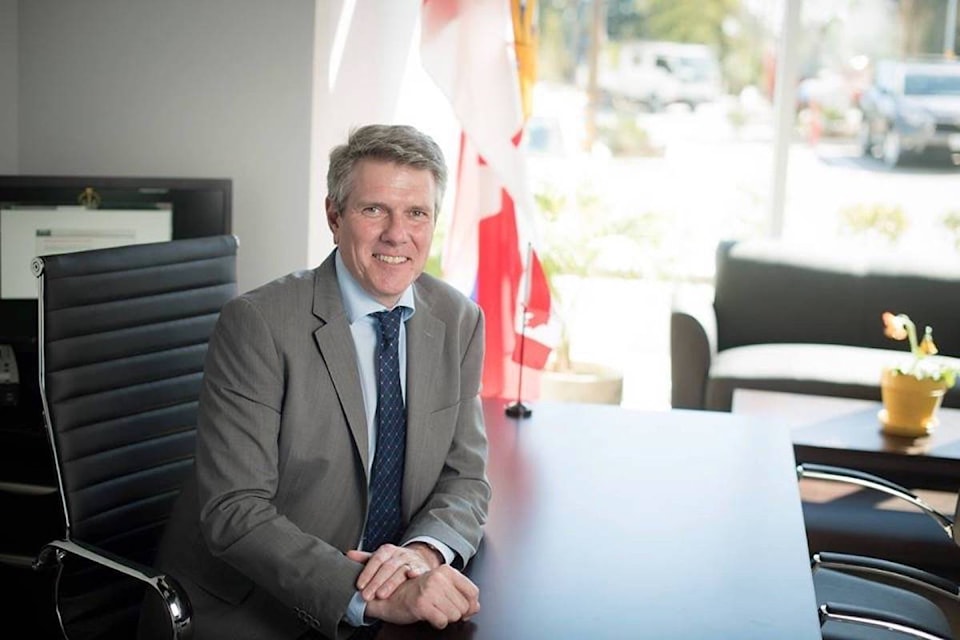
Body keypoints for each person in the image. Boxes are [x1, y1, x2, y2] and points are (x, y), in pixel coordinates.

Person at [148, 124, 490, 640]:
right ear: (334, 216)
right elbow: (234, 510)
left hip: (392, 588)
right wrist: (368, 594)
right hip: (258, 604)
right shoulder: (259, 324)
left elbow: (465, 477)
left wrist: (420, 556)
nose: (398, 234)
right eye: (374, 209)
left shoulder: (458, 320)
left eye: (416, 213)